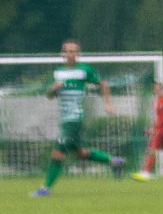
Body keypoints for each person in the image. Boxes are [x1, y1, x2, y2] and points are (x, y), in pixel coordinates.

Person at [31, 40, 124, 196]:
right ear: (62, 54)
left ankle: (45, 188)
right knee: (80, 153)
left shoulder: (84, 70)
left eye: (73, 51)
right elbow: (49, 95)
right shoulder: (57, 73)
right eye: (67, 51)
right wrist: (53, 88)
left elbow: (103, 84)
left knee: (58, 152)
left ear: (78, 54)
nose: (70, 54)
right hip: (64, 119)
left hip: (74, 118)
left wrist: (107, 104)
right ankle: (114, 161)